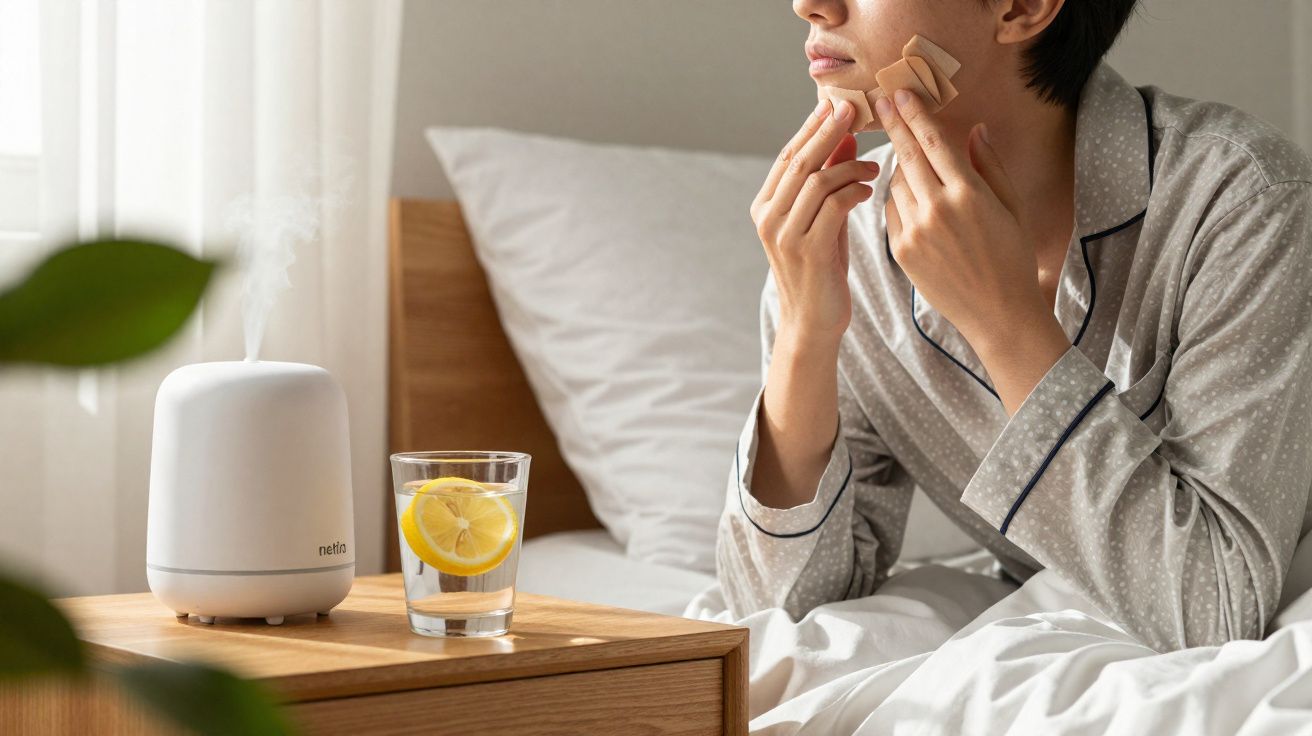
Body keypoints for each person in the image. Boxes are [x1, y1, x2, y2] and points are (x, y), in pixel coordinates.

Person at [716, 0, 1312, 652]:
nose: (809, 4)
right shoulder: (844, 242)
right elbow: (778, 616)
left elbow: (1216, 610)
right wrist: (805, 332)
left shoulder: (1241, 201)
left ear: (1022, 7)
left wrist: (1004, 323)